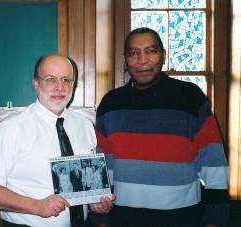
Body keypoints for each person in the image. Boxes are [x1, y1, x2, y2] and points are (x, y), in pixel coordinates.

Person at [95, 27, 229, 227]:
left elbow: (214, 166)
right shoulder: (110, 104)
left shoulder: (191, 97)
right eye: (133, 53)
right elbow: (103, 170)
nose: (142, 60)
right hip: (123, 220)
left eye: (151, 51)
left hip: (183, 220)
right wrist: (101, 220)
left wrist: (215, 220)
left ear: (163, 55)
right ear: (125, 59)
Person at [0, 54, 114, 227]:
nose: (59, 87)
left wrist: (95, 204)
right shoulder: (12, 128)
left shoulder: (85, 126)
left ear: (73, 84)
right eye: (50, 79)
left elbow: (85, 185)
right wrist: (36, 206)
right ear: (36, 83)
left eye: (66, 80)